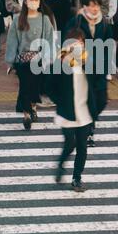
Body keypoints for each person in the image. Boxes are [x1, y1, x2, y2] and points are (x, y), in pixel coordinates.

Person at [48, 27, 97, 192]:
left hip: (84, 111)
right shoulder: (60, 62)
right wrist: (59, 101)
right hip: (67, 111)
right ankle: (61, 164)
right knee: (70, 143)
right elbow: (50, 86)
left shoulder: (88, 61)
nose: (78, 45)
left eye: (81, 42)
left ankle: (77, 178)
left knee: (82, 146)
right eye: (75, 42)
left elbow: (97, 83)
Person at [64, 0, 112, 146]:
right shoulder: (76, 22)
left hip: (99, 68)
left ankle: (88, 122)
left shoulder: (104, 23)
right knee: (85, 100)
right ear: (84, 6)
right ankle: (88, 130)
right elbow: (66, 42)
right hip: (81, 68)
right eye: (91, 5)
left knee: (101, 100)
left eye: (97, 5)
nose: (94, 8)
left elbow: (109, 45)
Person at [5, 0, 55, 130]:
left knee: (35, 86)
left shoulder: (44, 19)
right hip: (23, 60)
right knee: (25, 85)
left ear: (40, 3)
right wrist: (10, 61)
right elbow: (12, 41)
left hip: (39, 59)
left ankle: (32, 107)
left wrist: (48, 58)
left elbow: (49, 39)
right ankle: (26, 114)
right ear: (25, 1)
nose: (33, 2)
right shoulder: (18, 19)